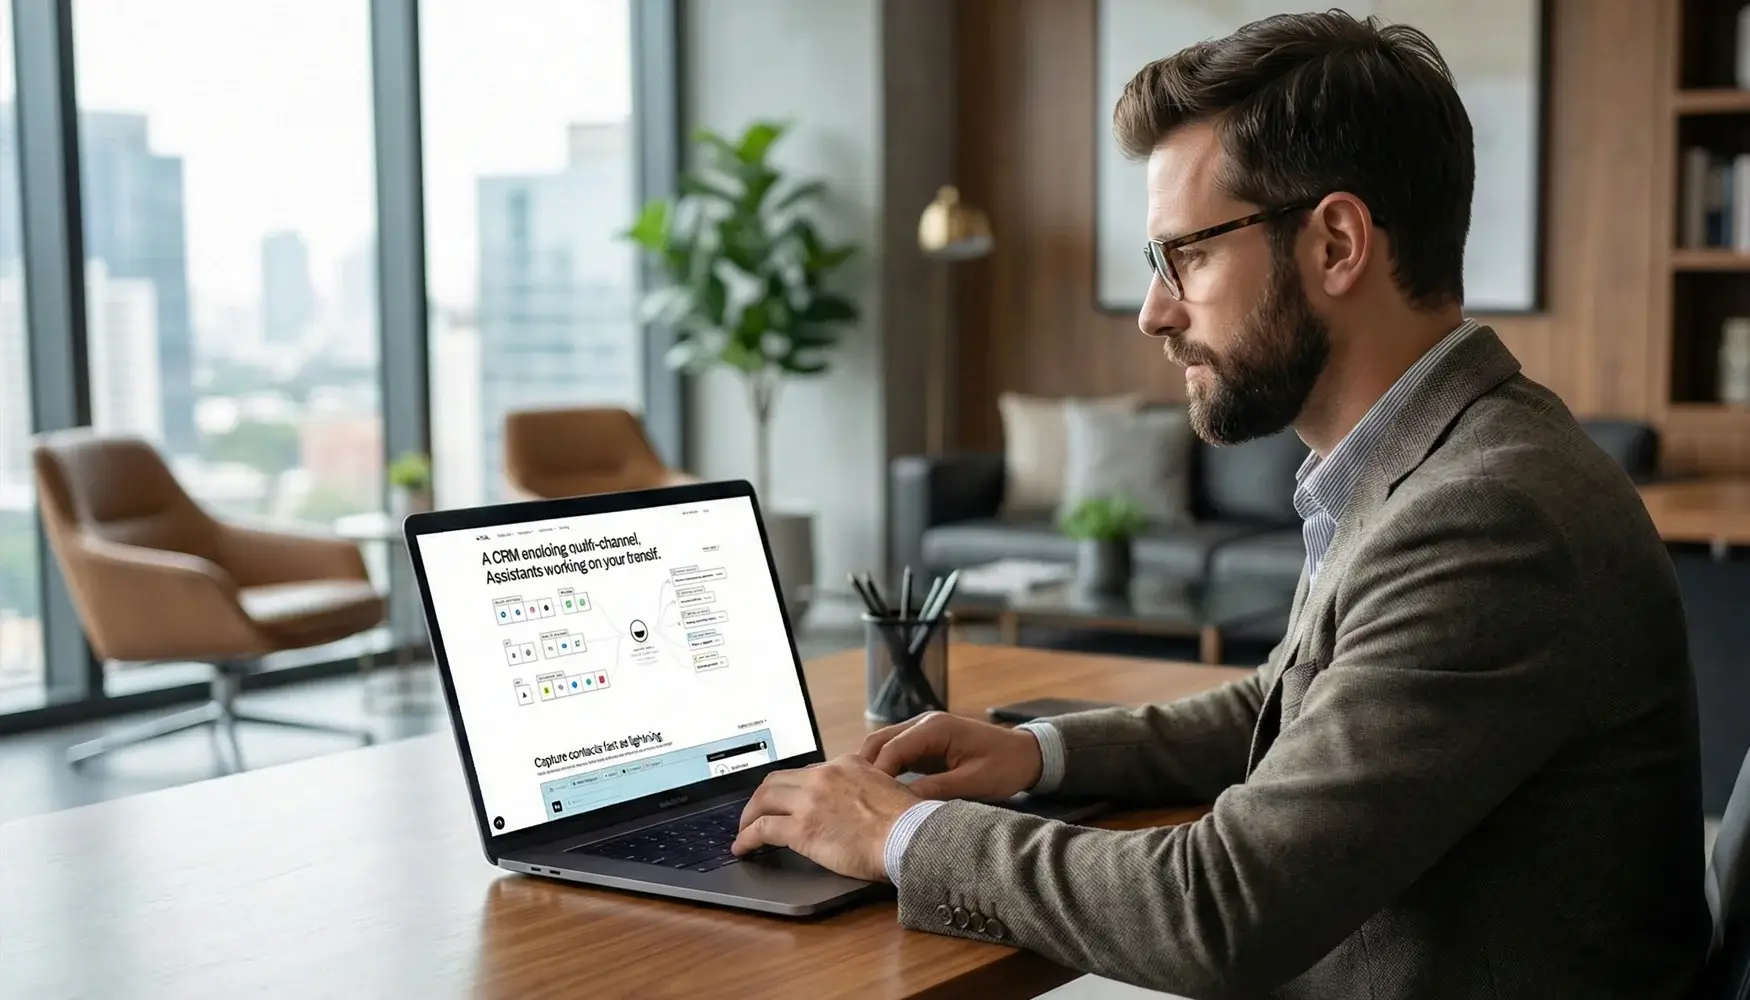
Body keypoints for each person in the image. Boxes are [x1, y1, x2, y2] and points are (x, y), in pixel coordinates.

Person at [731, 10, 1711, 997]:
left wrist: (897, 831)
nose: (1156, 311)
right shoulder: (1427, 462)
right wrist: (1037, 752)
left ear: (1335, 242)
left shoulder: (1490, 518)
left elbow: (1219, 908)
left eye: (1185, 256)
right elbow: (1290, 707)